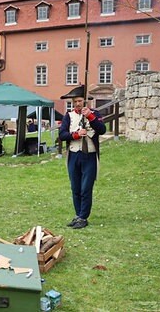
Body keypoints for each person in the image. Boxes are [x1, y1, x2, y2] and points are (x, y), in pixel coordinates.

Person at [59, 85, 106, 229]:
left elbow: (102, 130)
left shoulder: (95, 114)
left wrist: (90, 117)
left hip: (89, 155)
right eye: (75, 102)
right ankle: (78, 215)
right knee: (75, 187)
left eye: (80, 101)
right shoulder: (69, 116)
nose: (77, 104)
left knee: (86, 188)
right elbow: (62, 135)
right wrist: (76, 135)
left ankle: (83, 216)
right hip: (74, 155)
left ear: (86, 101)